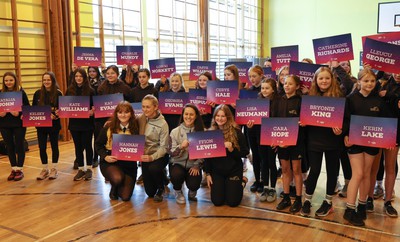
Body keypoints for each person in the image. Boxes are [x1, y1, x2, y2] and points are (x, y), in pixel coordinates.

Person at [342, 68, 390, 226]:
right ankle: (349, 209)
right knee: (358, 173)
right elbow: (345, 120)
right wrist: (346, 135)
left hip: (371, 143)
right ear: (359, 82)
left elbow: (385, 123)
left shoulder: (379, 101)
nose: (369, 84)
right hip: (355, 142)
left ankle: (362, 205)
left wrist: (387, 139)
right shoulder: (350, 99)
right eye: (366, 81)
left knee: (367, 173)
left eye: (372, 81)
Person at [300, 67, 344, 217]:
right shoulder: (310, 97)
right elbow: (305, 118)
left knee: (332, 172)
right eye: (321, 78)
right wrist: (304, 123)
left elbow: (345, 119)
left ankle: (328, 202)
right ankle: (307, 200)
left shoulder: (339, 97)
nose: (324, 81)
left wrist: (341, 129)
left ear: (332, 80)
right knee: (315, 170)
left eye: (327, 78)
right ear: (316, 80)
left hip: (333, 140)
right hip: (315, 139)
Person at [204, 104, 249, 207]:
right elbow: (206, 156)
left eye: (223, 116)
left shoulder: (237, 132)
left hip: (233, 170)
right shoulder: (210, 133)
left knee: (233, 203)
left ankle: (241, 183)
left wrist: (232, 149)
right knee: (217, 201)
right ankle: (226, 186)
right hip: (217, 172)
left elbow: (245, 152)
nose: (220, 118)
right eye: (217, 116)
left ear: (228, 117)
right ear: (214, 117)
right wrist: (208, 174)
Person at [95, 101, 139, 201]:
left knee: (125, 197)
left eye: (126, 112)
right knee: (117, 178)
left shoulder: (136, 127)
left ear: (131, 113)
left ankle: (119, 184)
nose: (123, 115)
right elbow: (98, 145)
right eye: (120, 112)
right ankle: (114, 186)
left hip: (129, 164)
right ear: (116, 114)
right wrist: (105, 157)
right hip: (111, 162)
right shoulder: (109, 126)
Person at [274, 75, 304, 214]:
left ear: (297, 86)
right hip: (282, 142)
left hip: (297, 142)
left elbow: (304, 124)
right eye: (285, 83)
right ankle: (286, 197)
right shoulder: (278, 101)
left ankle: (298, 199)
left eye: (290, 84)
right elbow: (273, 122)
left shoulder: (301, 101)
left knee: (296, 170)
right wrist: (275, 140)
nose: (287, 86)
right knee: (285, 169)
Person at [168, 104, 205, 204]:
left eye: (191, 114)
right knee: (176, 175)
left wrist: (197, 165)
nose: (188, 117)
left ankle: (192, 191)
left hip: (193, 165)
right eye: (186, 114)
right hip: (177, 163)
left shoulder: (202, 132)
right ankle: (178, 191)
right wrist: (181, 147)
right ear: (182, 115)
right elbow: (171, 152)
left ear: (196, 116)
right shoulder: (175, 132)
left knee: (194, 184)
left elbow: (205, 153)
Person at [138, 95, 169, 202]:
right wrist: (111, 122)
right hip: (145, 156)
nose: (144, 110)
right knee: (150, 193)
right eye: (143, 107)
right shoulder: (141, 118)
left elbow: (164, 147)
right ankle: (164, 177)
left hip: (159, 155)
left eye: (148, 107)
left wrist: (152, 157)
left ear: (155, 107)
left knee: (154, 168)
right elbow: (127, 121)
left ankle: (161, 188)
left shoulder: (163, 124)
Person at [66, 68, 95, 181]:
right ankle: (81, 169)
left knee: (87, 145)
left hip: (87, 124)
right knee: (77, 147)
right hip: (74, 124)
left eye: (81, 76)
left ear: (84, 78)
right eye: (76, 76)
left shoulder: (91, 91)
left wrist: (92, 111)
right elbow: (64, 106)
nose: (78, 78)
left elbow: (94, 107)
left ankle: (88, 169)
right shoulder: (69, 90)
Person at [33, 72, 63, 180]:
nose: (46, 82)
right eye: (44, 80)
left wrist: (56, 115)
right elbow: (34, 110)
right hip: (41, 126)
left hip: (54, 125)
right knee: (42, 147)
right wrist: (45, 115)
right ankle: (45, 169)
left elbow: (62, 110)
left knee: (54, 146)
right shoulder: (37, 93)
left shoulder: (59, 93)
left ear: (53, 80)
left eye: (48, 80)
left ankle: (54, 169)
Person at [0, 72, 30, 181]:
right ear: (4, 82)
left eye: (11, 80)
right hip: (4, 124)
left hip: (18, 124)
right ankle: (13, 168)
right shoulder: (1, 93)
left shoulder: (21, 92)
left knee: (19, 145)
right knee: (9, 146)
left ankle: (20, 170)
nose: (8, 82)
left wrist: (20, 113)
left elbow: (27, 108)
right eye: (6, 80)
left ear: (15, 80)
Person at [255, 78, 279, 203]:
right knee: (263, 161)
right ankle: (265, 187)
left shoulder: (278, 102)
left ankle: (273, 188)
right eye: (262, 88)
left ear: (273, 89)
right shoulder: (258, 101)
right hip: (260, 135)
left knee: (271, 162)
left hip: (273, 136)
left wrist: (276, 139)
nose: (264, 90)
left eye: (267, 88)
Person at [245, 65, 264, 193]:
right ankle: (257, 180)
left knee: (263, 156)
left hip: (263, 129)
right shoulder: (248, 91)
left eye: (254, 76)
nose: (252, 79)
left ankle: (264, 181)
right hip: (251, 128)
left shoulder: (266, 90)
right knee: (255, 156)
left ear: (261, 75)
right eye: (250, 76)